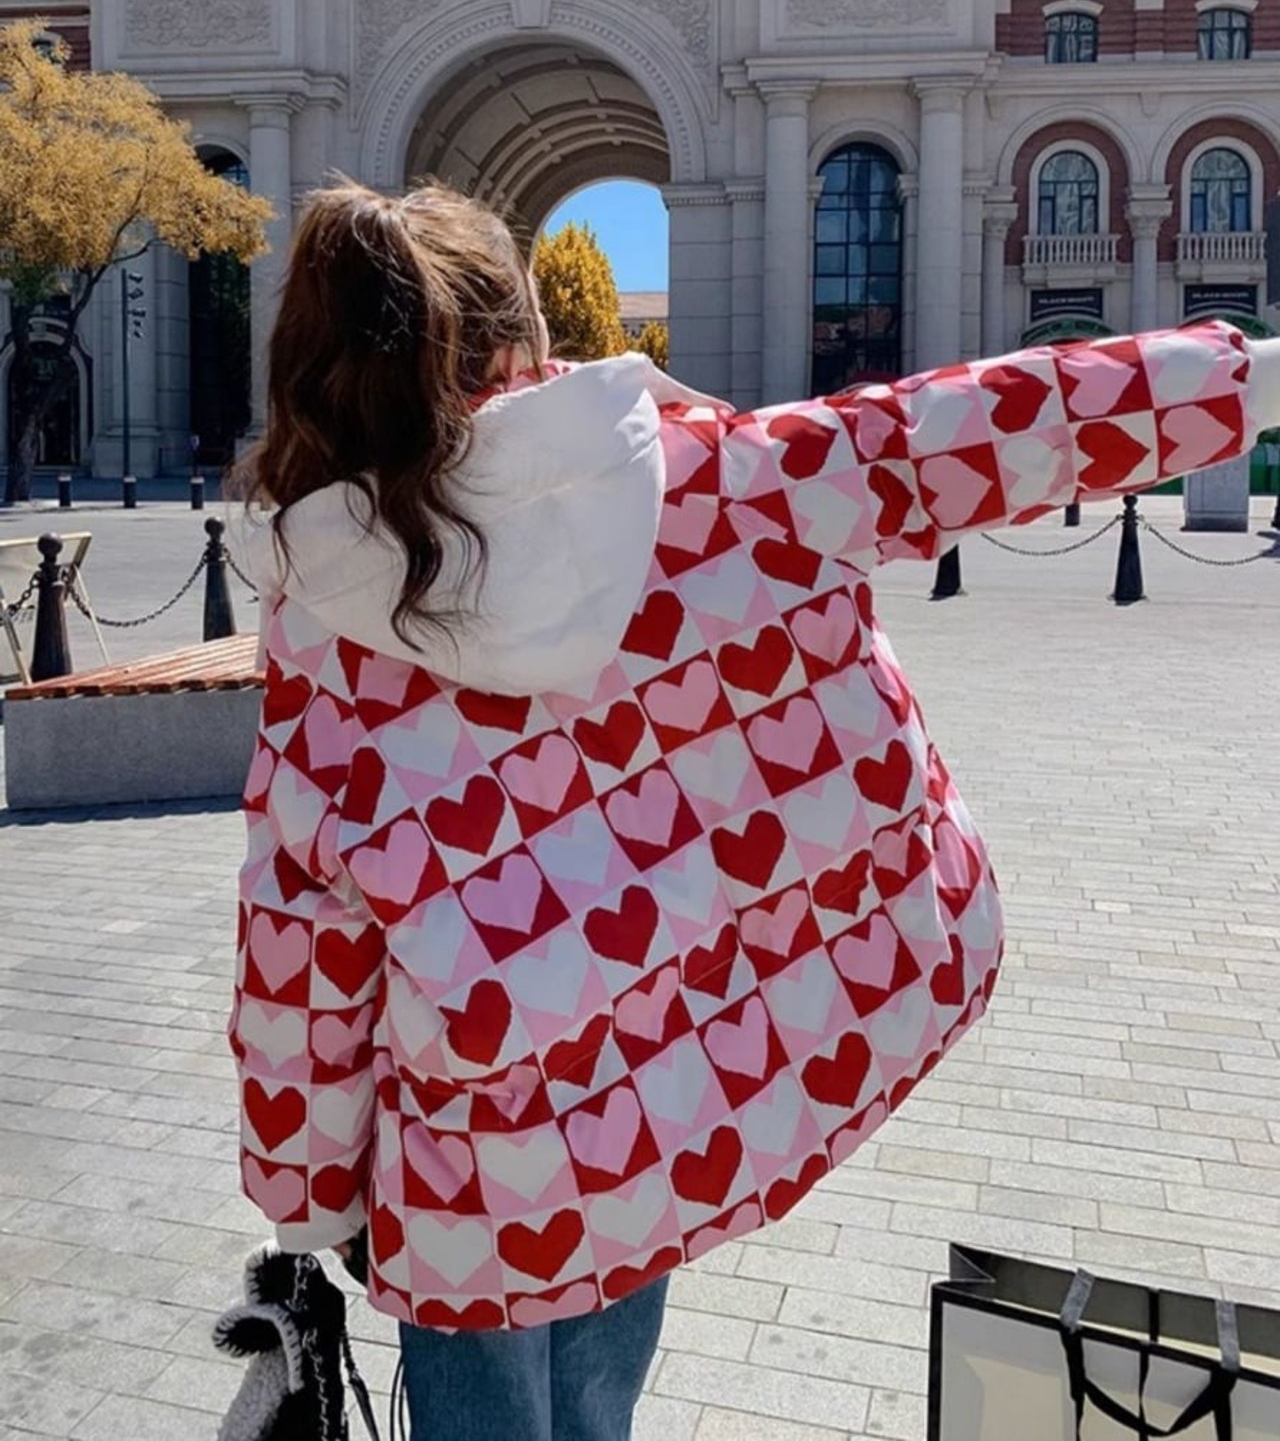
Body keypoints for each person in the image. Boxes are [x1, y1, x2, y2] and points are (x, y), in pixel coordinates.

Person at [230, 178, 1280, 1441]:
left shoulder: (329, 602)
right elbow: (983, 422)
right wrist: (1250, 381)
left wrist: (308, 1193)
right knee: (599, 1410)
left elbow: (301, 939)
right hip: (651, 1100)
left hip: (467, 1162)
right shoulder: (722, 483)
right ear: (524, 339)